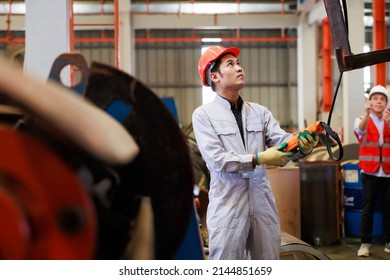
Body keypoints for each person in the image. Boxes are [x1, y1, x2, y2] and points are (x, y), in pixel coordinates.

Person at [191, 46, 319, 260]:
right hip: (227, 206)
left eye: (238, 63)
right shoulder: (203, 115)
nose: (239, 68)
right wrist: (259, 158)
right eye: (230, 64)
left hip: (262, 203)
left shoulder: (260, 112)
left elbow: (282, 142)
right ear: (214, 76)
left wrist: (302, 144)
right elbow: (216, 159)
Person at [354, 84, 390, 257]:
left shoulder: (389, 119)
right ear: (369, 102)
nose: (379, 102)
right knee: (367, 208)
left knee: (389, 208)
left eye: (382, 99)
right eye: (375, 99)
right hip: (369, 172)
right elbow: (359, 131)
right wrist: (367, 114)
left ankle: (389, 241)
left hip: (388, 172)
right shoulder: (362, 118)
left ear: (386, 103)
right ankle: (365, 243)